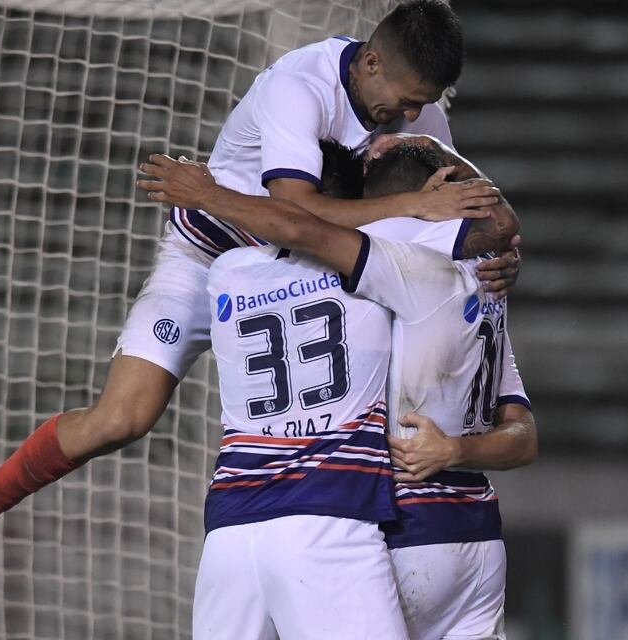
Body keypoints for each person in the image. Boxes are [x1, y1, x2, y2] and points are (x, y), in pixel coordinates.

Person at [0, 0, 520, 601]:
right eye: (406, 98)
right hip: (213, 256)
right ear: (371, 64)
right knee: (124, 417)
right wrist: (414, 206)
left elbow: (474, 211)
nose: (410, 114)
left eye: (423, 103)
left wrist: (494, 253)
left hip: (316, 269)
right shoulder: (298, 86)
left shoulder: (418, 115)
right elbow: (294, 211)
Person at [138, 140, 535, 640]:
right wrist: (431, 160)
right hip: (456, 531)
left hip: (260, 520)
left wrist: (210, 195)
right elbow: (499, 227)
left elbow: (298, 228)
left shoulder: (226, 274)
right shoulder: (441, 273)